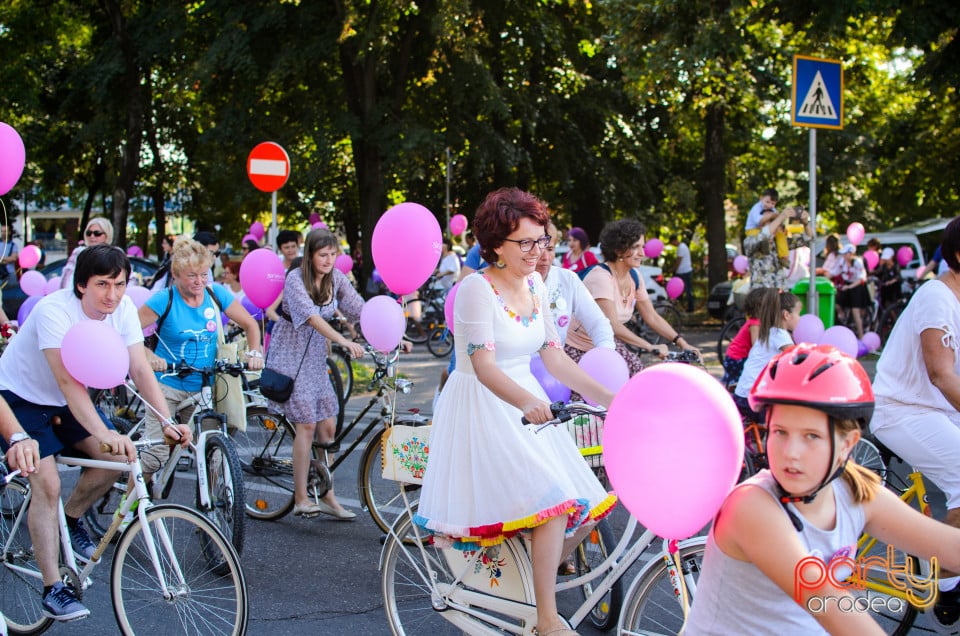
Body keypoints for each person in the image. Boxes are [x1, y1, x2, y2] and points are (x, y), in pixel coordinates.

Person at [416, 187, 617, 636]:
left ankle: (528, 577)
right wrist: (527, 401)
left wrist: (610, 399)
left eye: (541, 240)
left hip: (525, 401)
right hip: (483, 403)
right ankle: (546, 619)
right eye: (524, 242)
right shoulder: (475, 288)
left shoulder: (536, 285)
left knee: (588, 498)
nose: (537, 251)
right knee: (551, 500)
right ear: (495, 246)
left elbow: (555, 357)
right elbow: (483, 366)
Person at [686, 343, 960, 634]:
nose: (791, 452)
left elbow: (949, 547)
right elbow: (827, 601)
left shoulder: (856, 494)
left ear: (848, 443)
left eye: (811, 436)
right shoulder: (751, 506)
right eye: (780, 432)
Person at [0, 245, 190, 621]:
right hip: (20, 398)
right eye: (103, 284)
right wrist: (105, 430)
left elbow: (139, 369)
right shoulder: (53, 310)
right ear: (81, 285)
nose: (113, 294)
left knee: (116, 460)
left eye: (120, 284)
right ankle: (54, 587)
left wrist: (167, 421)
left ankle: (69, 522)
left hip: (62, 401)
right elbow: (68, 383)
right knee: (48, 482)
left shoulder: (121, 312)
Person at [870, 216, 960, 626]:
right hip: (902, 411)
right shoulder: (936, 296)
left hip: (934, 412)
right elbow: (942, 374)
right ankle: (945, 581)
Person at [265, 228, 368, 520]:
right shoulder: (296, 279)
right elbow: (311, 317)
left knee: (328, 428)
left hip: (313, 360)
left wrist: (393, 335)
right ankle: (300, 497)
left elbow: (357, 308)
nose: (329, 260)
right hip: (290, 357)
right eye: (323, 254)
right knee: (307, 426)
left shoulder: (336, 279)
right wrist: (342, 340)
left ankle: (327, 495)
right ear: (310, 254)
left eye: (333, 254)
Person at [139, 237, 263, 474]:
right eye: (192, 275)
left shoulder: (214, 293)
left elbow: (250, 325)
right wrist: (148, 355)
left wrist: (254, 352)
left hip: (204, 387)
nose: (199, 281)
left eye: (204, 274)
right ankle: (129, 506)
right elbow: (129, 333)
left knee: (213, 451)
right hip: (166, 385)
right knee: (155, 457)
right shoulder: (164, 299)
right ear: (176, 275)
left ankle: (217, 508)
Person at [564, 218, 700, 379]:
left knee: (637, 376)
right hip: (577, 347)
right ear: (619, 250)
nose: (642, 253)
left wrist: (682, 343)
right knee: (592, 396)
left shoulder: (634, 277)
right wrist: (650, 347)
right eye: (636, 247)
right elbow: (612, 325)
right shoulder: (601, 277)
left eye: (642, 246)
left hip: (604, 345)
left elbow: (652, 317)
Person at [536, 221, 614, 350]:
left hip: (556, 361)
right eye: (539, 249)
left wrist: (606, 351)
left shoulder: (568, 278)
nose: (545, 257)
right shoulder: (507, 282)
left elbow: (598, 322)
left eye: (550, 249)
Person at [732, 287, 800, 421]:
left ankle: (752, 437)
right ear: (786, 315)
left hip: (743, 395)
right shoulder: (780, 335)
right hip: (754, 399)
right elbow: (796, 358)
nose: (800, 318)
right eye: (799, 313)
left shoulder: (769, 332)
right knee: (784, 418)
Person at [721, 286, 765, 391]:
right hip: (738, 358)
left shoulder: (754, 321)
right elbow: (756, 345)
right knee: (740, 383)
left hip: (734, 356)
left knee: (735, 383)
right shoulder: (755, 324)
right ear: (760, 307)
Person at [61, 217, 113, 291]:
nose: (92, 236)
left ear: (107, 235)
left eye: (97, 233)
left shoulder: (115, 255)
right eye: (89, 233)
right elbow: (67, 277)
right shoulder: (79, 253)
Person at [836, 244, 869, 338]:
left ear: (850, 254)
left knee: (855, 311)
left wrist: (850, 287)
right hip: (848, 285)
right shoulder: (842, 262)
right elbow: (834, 271)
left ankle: (861, 335)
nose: (843, 256)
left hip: (858, 286)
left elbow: (862, 278)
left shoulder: (857, 262)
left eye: (845, 254)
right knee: (837, 303)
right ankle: (842, 315)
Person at [671, 233, 694, 312]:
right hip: (683, 271)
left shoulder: (681, 248)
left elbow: (678, 261)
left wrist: (674, 270)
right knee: (682, 290)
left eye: (672, 243)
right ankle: (679, 306)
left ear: (674, 241)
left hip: (684, 271)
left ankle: (691, 307)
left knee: (687, 290)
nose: (672, 245)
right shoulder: (682, 246)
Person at [875, 246, 902, 310]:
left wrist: (891, 281)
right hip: (885, 288)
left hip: (894, 288)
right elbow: (877, 272)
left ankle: (895, 318)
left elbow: (898, 276)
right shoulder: (883, 266)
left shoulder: (896, 265)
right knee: (886, 303)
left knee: (894, 304)